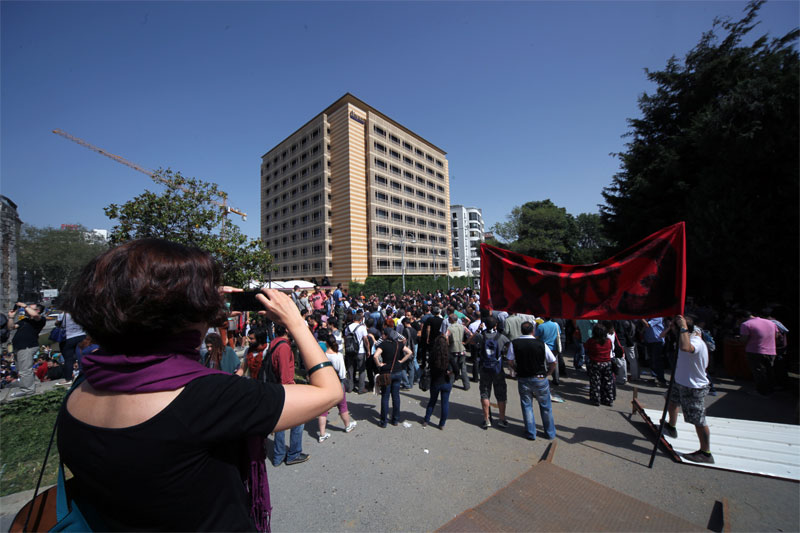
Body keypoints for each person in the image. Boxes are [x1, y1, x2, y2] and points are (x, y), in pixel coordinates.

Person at [57, 239, 341, 530]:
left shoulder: (83, 385)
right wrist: (296, 322)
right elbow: (329, 392)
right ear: (188, 310)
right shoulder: (209, 397)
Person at [662, 314, 714, 464]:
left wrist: (683, 326)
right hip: (680, 382)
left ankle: (705, 452)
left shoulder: (694, 342)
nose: (671, 330)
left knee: (698, 419)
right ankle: (671, 427)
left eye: (673, 328)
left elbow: (686, 348)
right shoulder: (690, 334)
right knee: (671, 401)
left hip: (693, 387)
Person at [506, 321, 557, 440]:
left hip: (523, 378)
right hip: (540, 378)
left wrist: (516, 370)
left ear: (521, 330)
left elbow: (509, 360)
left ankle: (531, 432)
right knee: (545, 406)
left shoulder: (515, 343)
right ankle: (550, 433)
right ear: (533, 330)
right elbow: (553, 361)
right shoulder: (540, 343)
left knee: (527, 405)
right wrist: (548, 373)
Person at [317, 334, 357, 442]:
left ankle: (322, 434)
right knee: (343, 406)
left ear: (326, 344)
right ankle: (347, 425)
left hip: (325, 383)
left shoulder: (323, 355)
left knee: (323, 410)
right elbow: (343, 373)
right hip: (337, 383)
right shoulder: (338, 356)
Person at [373, 327, 413, 427]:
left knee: (385, 397)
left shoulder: (383, 344)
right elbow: (409, 352)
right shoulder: (399, 344)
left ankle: (384, 421)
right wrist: (401, 361)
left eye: (383, 334)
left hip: (387, 372)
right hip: (398, 371)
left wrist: (379, 364)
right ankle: (395, 419)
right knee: (396, 396)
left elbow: (375, 356)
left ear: (386, 335)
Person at [476, 316, 510, 429]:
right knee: (501, 394)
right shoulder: (501, 337)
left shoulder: (481, 336)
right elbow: (509, 349)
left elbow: (471, 341)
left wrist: (478, 330)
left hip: (484, 368)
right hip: (497, 368)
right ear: (496, 325)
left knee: (485, 393)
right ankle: (502, 418)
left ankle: (486, 419)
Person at [736, 309, 780, 395]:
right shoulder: (771, 323)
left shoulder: (746, 324)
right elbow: (777, 336)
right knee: (769, 371)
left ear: (741, 318)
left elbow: (743, 340)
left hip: (755, 351)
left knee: (758, 372)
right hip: (771, 351)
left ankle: (761, 391)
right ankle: (770, 390)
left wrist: (738, 338)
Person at [7, 302, 45, 399]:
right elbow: (11, 327)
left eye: (29, 308)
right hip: (18, 347)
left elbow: (35, 315)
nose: (26, 310)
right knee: (22, 369)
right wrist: (11, 317)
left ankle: (27, 390)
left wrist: (24, 306)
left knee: (25, 370)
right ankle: (35, 384)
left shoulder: (40, 320)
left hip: (27, 347)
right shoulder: (24, 320)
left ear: (38, 310)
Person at [422, 336, 456, 429]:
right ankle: (442, 423)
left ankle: (426, 420)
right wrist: (450, 372)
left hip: (435, 381)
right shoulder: (448, 355)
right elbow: (457, 369)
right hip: (446, 381)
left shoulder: (433, 355)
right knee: (445, 403)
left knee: (432, 401)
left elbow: (429, 367)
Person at [584, 323, 615, 406]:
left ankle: (596, 399)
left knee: (595, 383)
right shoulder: (608, 341)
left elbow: (586, 348)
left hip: (595, 363)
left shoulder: (591, 341)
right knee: (607, 383)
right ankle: (608, 399)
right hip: (607, 363)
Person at [56, 312, 86, 385]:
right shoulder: (80, 312)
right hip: (82, 336)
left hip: (69, 337)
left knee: (68, 359)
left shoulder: (63, 314)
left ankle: (68, 379)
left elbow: (57, 324)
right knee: (83, 357)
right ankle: (86, 375)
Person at [642, 317, 668, 387]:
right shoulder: (648, 317)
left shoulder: (658, 317)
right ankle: (654, 376)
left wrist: (640, 318)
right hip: (649, 340)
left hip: (657, 341)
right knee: (651, 360)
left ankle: (661, 379)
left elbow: (647, 325)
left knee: (657, 360)